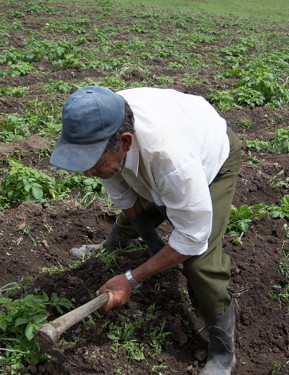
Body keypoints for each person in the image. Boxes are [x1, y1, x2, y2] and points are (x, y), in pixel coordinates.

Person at [50, 86, 241, 374]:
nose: (87, 173)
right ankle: (111, 246)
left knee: (200, 265)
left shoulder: (171, 160)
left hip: (210, 157)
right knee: (137, 202)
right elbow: (124, 195)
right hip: (159, 150)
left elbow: (192, 237)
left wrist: (131, 278)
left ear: (125, 142)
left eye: (92, 163)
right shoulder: (102, 123)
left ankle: (223, 353)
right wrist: (154, 244)